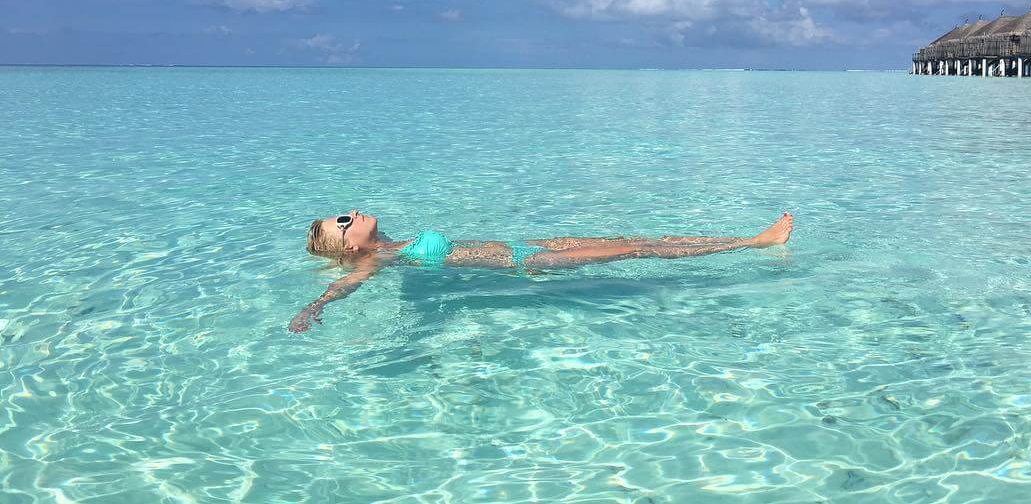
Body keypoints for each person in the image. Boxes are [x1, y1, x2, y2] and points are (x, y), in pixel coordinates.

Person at [288, 210, 794, 333]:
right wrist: (315, 307)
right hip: (528, 263)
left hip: (522, 246)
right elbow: (346, 284)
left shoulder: (392, 243)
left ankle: (749, 238)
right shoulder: (380, 257)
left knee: (630, 239)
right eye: (343, 220)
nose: (351, 213)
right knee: (641, 250)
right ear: (348, 242)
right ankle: (755, 242)